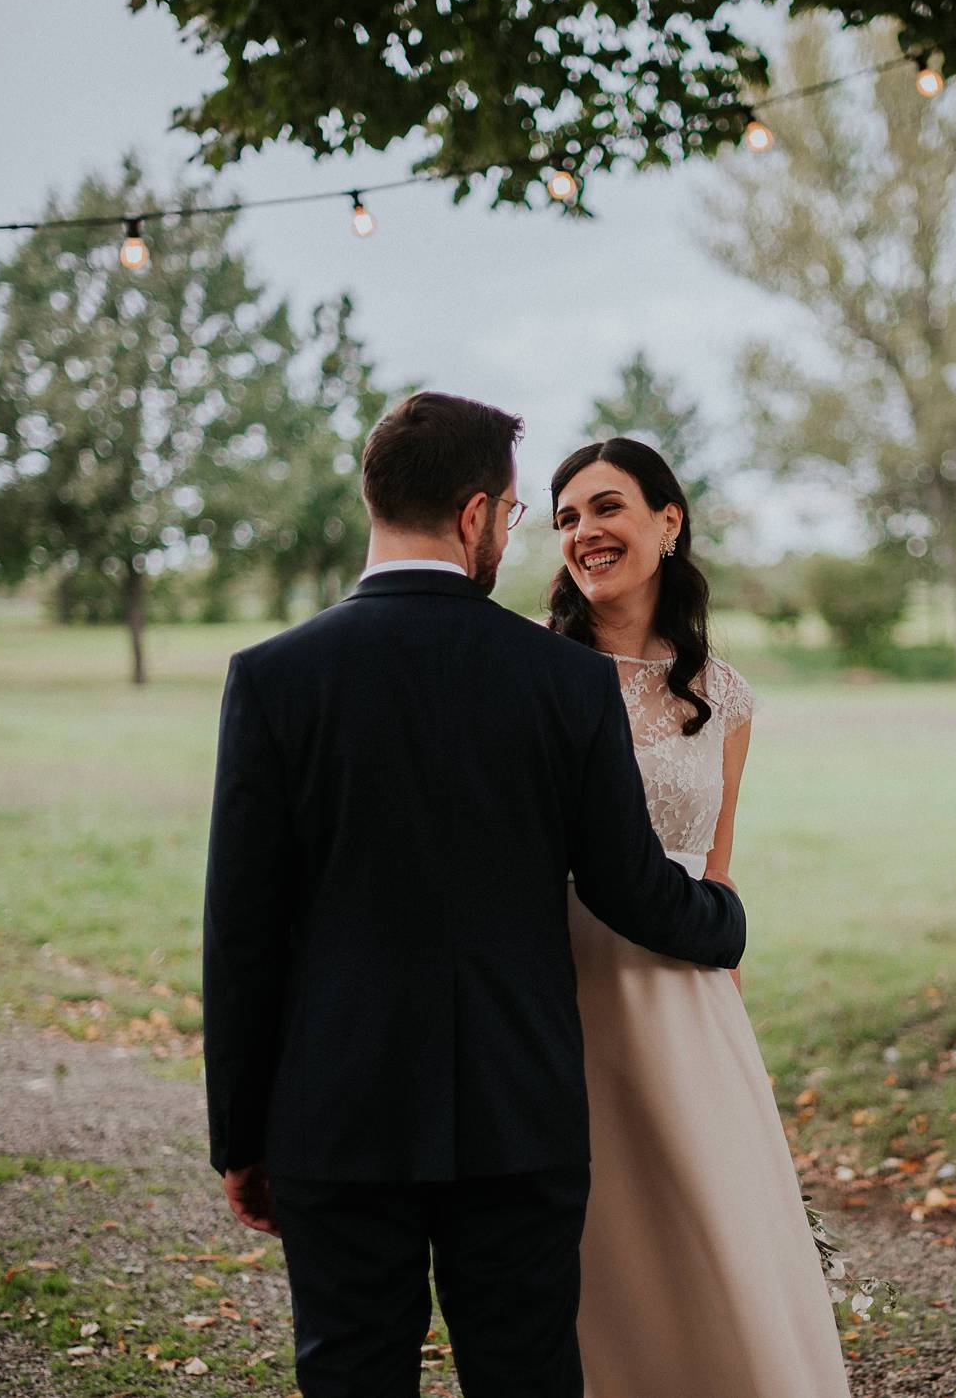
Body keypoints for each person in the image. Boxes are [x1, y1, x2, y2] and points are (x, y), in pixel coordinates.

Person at [202, 392, 746, 1398]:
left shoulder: (273, 678)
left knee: (352, 1372)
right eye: (512, 515)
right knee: (527, 1374)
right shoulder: (564, 683)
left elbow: (241, 932)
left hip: (337, 1113)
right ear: (473, 517)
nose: (511, 534)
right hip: (518, 1110)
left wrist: (242, 1132)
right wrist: (728, 916)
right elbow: (634, 888)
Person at [549, 436, 851, 1398]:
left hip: (682, 988)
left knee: (706, 1215)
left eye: (606, 508)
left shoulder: (723, 698)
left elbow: (716, 869)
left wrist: (724, 984)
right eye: (564, 519)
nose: (584, 533)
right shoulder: (535, 671)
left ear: (668, 521)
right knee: (598, 1230)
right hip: (560, 981)